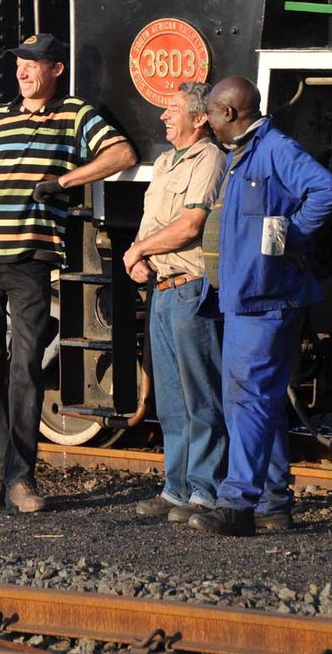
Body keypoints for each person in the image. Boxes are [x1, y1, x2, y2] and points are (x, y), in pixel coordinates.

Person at [0, 34, 136, 513]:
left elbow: (122, 155)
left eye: (33, 64)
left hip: (30, 259)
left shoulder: (75, 113)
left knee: (25, 368)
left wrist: (63, 182)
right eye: (19, 63)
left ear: (56, 69)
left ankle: (21, 478)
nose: (22, 72)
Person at [187, 76, 332, 537]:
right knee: (265, 403)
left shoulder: (274, 149)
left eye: (212, 112)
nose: (207, 119)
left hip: (262, 299)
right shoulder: (245, 153)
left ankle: (236, 505)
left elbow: (327, 190)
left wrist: (289, 233)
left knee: (246, 400)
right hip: (247, 296)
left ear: (231, 112)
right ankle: (273, 504)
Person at [123, 83, 226, 522]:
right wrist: (137, 258)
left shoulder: (211, 159)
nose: (164, 116)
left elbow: (189, 226)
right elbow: (150, 226)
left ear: (200, 118)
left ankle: (206, 491)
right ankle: (176, 490)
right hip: (163, 291)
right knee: (169, 399)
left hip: (191, 289)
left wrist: (140, 250)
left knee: (200, 395)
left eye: (173, 109)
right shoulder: (166, 162)